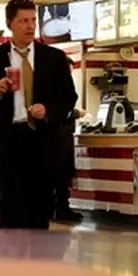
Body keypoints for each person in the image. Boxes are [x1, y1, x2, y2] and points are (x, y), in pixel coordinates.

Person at [0, 0, 78, 229]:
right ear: (10, 23)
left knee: (40, 211)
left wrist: (48, 109)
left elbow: (69, 98)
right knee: (10, 210)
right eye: (23, 21)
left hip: (42, 142)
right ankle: (11, 263)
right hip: (8, 142)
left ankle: (39, 264)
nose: (30, 26)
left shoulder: (54, 58)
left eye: (33, 20)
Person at [54, 57, 84, 223]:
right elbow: (62, 111)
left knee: (59, 174)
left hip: (60, 136)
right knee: (61, 173)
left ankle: (57, 207)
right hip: (60, 136)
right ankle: (62, 208)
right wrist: (76, 113)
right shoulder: (59, 88)